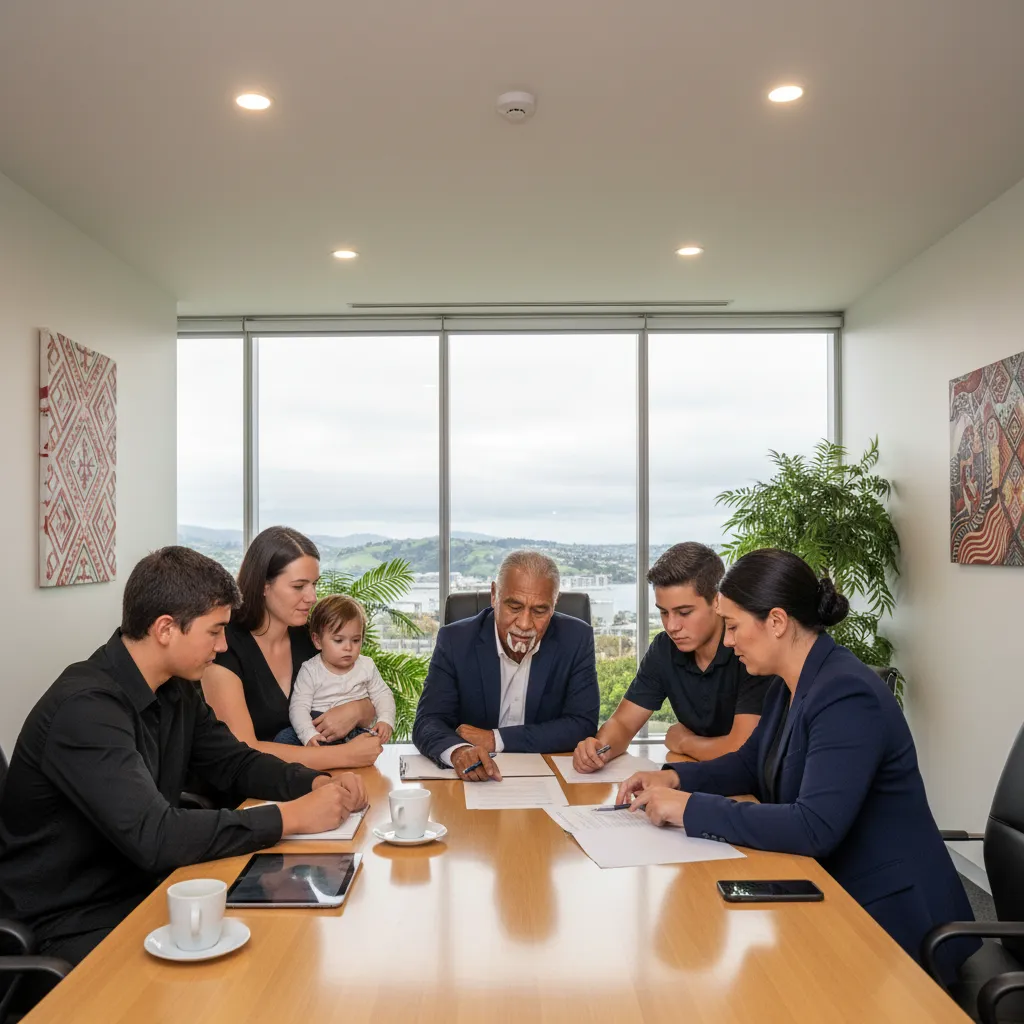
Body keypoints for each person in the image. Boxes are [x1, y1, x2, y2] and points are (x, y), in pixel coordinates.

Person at [617, 548, 978, 978]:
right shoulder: (788, 685)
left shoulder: (845, 694)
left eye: (732, 627)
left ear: (776, 622)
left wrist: (689, 808)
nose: (728, 642)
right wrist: (674, 776)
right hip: (832, 890)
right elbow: (749, 765)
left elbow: (813, 828)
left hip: (893, 920)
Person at [0, 547, 367, 966]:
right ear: (165, 629)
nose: (224, 645)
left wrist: (314, 783)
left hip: (149, 891)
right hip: (73, 924)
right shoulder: (86, 710)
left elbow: (235, 761)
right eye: (214, 631)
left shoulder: (176, 689)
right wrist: (294, 816)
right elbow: (155, 837)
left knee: (284, 946)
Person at [573, 543, 772, 774]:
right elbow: (624, 723)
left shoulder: (748, 651)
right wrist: (599, 748)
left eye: (684, 613)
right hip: (698, 777)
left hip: (751, 787)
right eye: (663, 612)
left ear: (717, 602)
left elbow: (741, 749)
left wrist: (683, 742)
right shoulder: (664, 648)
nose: (672, 626)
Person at [202, 526, 382, 770]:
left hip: (307, 783)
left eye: (314, 584)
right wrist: (345, 755)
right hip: (246, 797)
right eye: (299, 586)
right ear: (264, 586)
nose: (312, 597)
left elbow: (369, 695)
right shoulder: (224, 646)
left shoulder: (309, 639)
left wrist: (357, 709)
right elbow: (243, 749)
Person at [413, 551, 599, 781]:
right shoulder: (455, 640)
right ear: (494, 595)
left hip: (545, 779)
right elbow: (428, 722)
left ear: (554, 604)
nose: (524, 623)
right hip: (475, 782)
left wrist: (496, 739)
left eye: (540, 610)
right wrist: (460, 752)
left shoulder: (576, 638)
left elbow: (582, 724)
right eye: (514, 607)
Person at [278, 595, 395, 747]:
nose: (348, 647)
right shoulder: (310, 669)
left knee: (372, 743)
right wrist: (309, 734)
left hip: (355, 730)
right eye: (339, 640)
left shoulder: (366, 666)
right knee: (284, 738)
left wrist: (385, 720)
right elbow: (298, 707)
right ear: (318, 641)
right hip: (317, 727)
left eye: (356, 640)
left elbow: (383, 694)